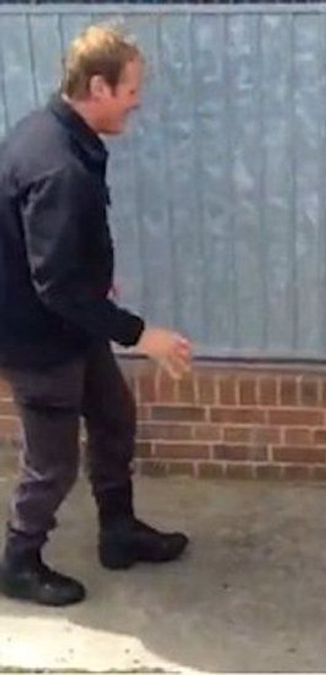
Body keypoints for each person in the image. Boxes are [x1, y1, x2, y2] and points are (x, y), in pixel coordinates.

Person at [0, 23, 194, 607]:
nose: (138, 100)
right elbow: (55, 283)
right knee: (52, 464)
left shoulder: (59, 134)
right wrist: (141, 334)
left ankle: (119, 531)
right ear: (99, 86)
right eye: (132, 88)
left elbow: (57, 257)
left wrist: (96, 281)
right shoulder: (58, 165)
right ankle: (18, 559)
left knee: (114, 418)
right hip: (37, 339)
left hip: (71, 325)